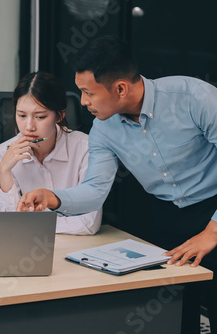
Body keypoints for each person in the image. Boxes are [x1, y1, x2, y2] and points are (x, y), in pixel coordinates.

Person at [17, 36, 217, 331]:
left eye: (88, 92)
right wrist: (52, 197)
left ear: (120, 88)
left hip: (213, 210)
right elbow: (95, 189)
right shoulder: (103, 129)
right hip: (166, 218)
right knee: (177, 314)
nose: (82, 102)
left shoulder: (194, 98)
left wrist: (213, 230)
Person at [0, 71, 101, 235]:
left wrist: (31, 225)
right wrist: (5, 172)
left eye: (40, 117)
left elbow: (89, 223)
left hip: (77, 247)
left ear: (59, 115)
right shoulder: (3, 153)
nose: (29, 127)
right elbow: (7, 226)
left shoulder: (86, 148)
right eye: (21, 115)